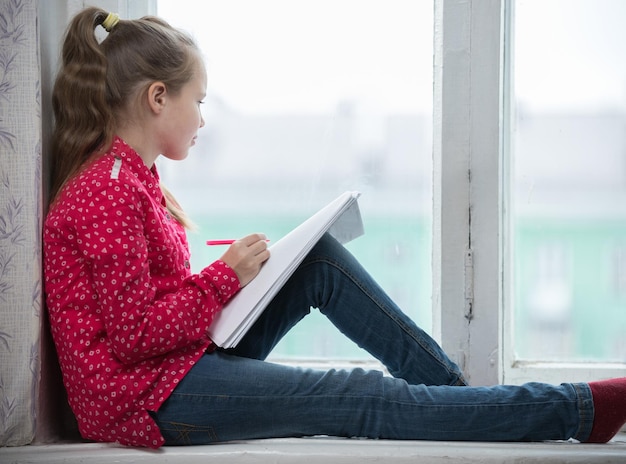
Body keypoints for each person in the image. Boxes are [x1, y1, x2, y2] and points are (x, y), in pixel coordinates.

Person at [43, 7, 626, 450]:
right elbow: (133, 332)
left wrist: (241, 277)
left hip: (172, 371)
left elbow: (141, 309)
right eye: (199, 101)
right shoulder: (107, 189)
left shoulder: (133, 178)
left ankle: (463, 402)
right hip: (147, 401)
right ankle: (571, 410)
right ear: (156, 98)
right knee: (353, 395)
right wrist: (223, 279)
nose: (202, 118)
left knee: (316, 259)